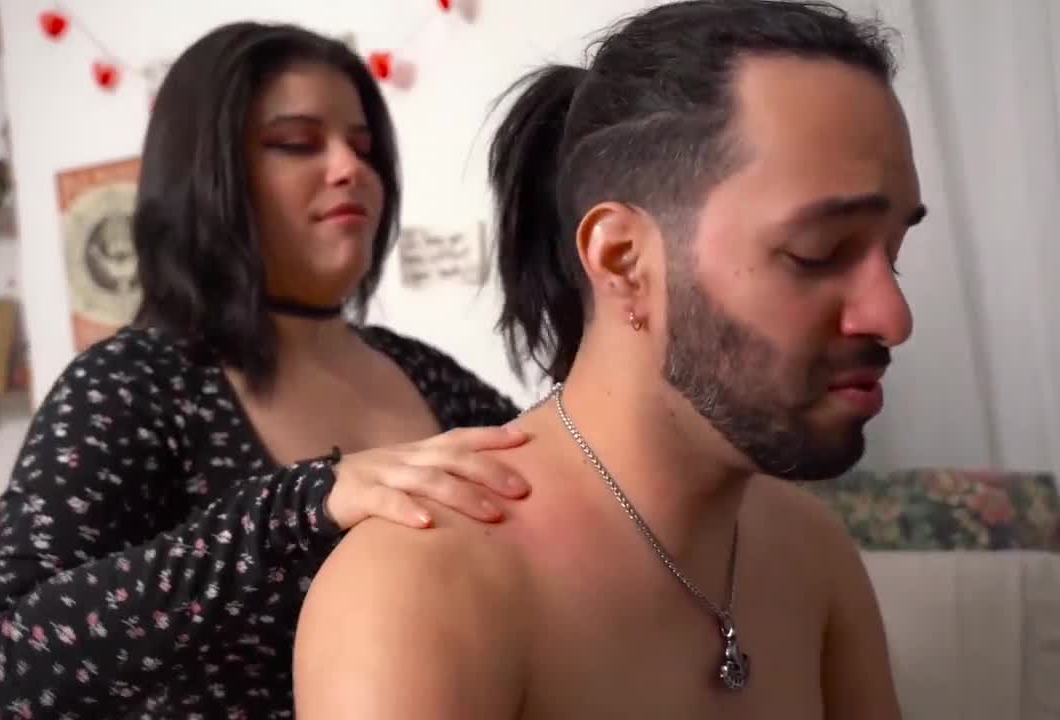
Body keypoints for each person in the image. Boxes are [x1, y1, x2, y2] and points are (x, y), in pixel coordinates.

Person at [294, 1, 923, 718]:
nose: (893, 318)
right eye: (818, 251)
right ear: (623, 260)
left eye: (894, 254)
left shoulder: (813, 553)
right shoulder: (418, 587)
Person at [0, 21, 531, 720]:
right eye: (297, 143)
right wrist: (293, 511)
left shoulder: (427, 374)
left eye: (364, 147)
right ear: (207, 173)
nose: (350, 169)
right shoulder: (132, 383)